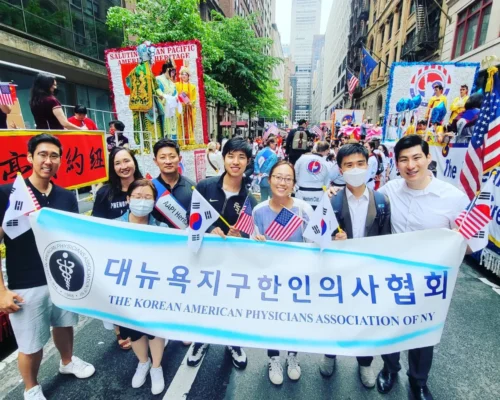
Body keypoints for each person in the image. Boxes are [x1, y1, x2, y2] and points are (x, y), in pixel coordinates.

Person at [0, 134, 95, 400]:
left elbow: (75, 238)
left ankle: (67, 362)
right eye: (42, 154)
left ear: (60, 161)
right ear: (30, 157)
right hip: (25, 282)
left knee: (64, 325)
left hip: (61, 278)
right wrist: (1, 291)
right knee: (30, 342)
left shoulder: (66, 196)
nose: (48, 161)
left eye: (54, 156)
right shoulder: (9, 193)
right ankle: (31, 387)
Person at [375, 135, 469, 400]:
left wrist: (463, 236)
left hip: (429, 282)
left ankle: (418, 381)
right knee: (389, 325)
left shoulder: (453, 198)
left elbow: (472, 244)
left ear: (429, 158)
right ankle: (390, 368)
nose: (411, 165)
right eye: (403, 159)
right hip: (392, 277)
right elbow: (364, 204)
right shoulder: (390, 191)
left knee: (422, 333)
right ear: (397, 163)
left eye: (417, 157)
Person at [320, 143, 391, 389]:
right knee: (335, 317)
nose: (355, 169)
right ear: (340, 169)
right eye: (349, 165)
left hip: (368, 274)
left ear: (368, 163)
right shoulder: (331, 201)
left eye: (360, 163)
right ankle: (330, 355)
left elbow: (387, 239)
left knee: (366, 321)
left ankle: (365, 362)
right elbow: (319, 238)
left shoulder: (382, 201)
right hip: (338, 274)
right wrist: (332, 239)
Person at [187, 137, 258, 370]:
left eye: (241, 157)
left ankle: (233, 342)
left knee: (232, 303)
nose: (235, 162)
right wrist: (208, 229)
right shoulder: (205, 186)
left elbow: (252, 233)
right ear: (224, 158)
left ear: (248, 162)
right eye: (231, 155)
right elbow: (191, 221)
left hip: (233, 263)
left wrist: (243, 237)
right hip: (204, 258)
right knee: (203, 301)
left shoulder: (250, 199)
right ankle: (201, 340)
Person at [252, 160, 314, 385]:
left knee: (295, 319)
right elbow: (251, 245)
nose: (282, 182)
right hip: (271, 279)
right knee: (273, 320)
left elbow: (314, 243)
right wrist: (256, 241)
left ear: (294, 184)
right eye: (278, 177)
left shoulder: (302, 209)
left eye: (288, 179)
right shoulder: (259, 210)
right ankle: (274, 358)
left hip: (298, 279)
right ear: (269, 180)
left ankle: (293, 357)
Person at [115, 178, 165, 395]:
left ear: (154, 202)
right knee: (133, 331)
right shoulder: (113, 226)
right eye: (137, 197)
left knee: (154, 329)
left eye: (147, 197)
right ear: (128, 199)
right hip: (125, 290)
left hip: (153, 289)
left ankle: (156, 367)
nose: (142, 202)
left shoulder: (161, 228)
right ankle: (143, 362)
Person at [151, 139, 195, 227]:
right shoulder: (150, 188)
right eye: (162, 157)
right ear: (155, 161)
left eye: (172, 156)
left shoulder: (193, 188)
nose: (168, 161)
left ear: (179, 159)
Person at [92, 147, 142, 220]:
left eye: (126, 161)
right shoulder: (103, 193)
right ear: (113, 167)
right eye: (117, 163)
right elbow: (98, 225)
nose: (124, 167)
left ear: (134, 162)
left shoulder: (147, 188)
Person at [294, 141, 332, 208]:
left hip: (301, 192)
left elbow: (295, 172)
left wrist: (297, 186)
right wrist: (324, 190)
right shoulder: (326, 164)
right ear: (326, 150)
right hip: (318, 195)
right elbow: (327, 182)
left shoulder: (302, 158)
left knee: (300, 215)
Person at [176, 66, 197, 145]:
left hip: (188, 109)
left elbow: (194, 99)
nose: (183, 76)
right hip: (180, 108)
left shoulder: (192, 87)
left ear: (188, 76)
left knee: (188, 125)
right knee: (180, 124)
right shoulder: (177, 85)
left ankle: (189, 141)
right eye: (182, 74)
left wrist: (190, 103)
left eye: (185, 74)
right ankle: (181, 141)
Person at [254, 136, 279, 201]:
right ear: (270, 143)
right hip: (269, 179)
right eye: (275, 144)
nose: (276, 146)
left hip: (260, 178)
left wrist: (258, 172)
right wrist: (265, 173)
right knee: (273, 199)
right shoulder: (273, 155)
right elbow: (271, 167)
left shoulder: (260, 152)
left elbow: (255, 163)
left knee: (263, 199)